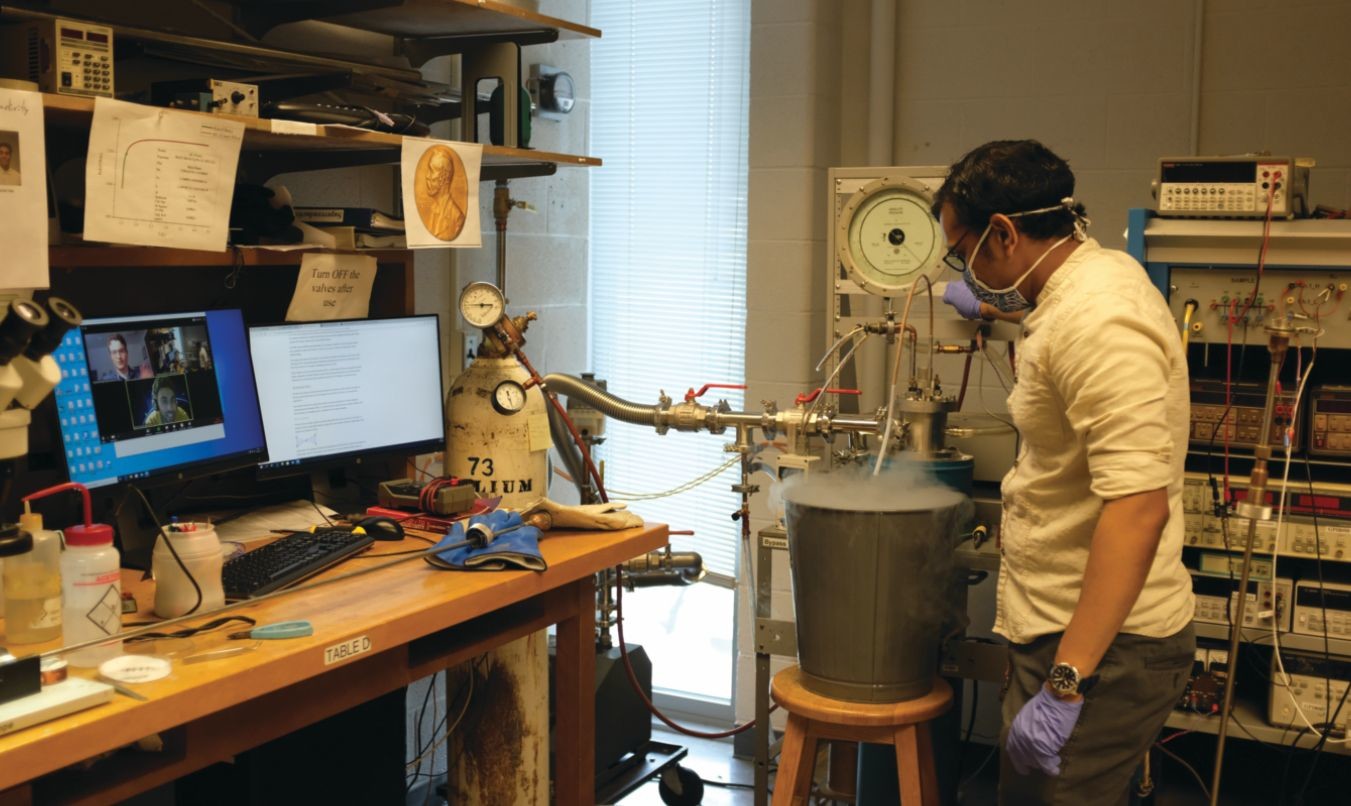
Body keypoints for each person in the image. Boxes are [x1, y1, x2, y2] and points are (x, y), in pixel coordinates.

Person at [935, 140, 1194, 805]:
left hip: (1103, 651)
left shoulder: (1099, 319)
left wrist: (1064, 682)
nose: (961, 267)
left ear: (1003, 231)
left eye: (960, 252)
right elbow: (1059, 337)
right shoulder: (1086, 282)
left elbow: (1137, 510)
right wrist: (990, 309)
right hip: (1067, 630)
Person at [419, 146, 466, 240]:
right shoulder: (432, 210)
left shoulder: (457, 218)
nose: (427, 176)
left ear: (444, 177)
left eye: (431, 171)